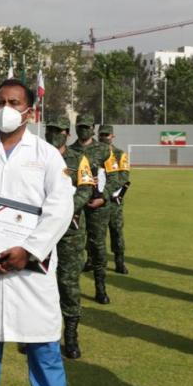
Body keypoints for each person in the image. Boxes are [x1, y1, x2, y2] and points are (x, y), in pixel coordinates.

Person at [0, 79, 73, 386]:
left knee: (44, 350)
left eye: (14, 103)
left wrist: (29, 250)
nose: (5, 109)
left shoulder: (48, 155)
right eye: (0, 102)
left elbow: (61, 208)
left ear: (29, 111)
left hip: (32, 270)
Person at [46, 115, 96, 360]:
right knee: (41, 283)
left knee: (68, 283)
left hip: (70, 231)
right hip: (42, 231)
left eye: (59, 130)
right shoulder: (38, 156)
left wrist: (64, 210)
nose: (54, 134)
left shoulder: (78, 159)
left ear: (67, 133)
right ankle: (37, 335)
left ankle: (71, 336)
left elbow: (86, 189)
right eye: (50, 129)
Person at [70, 114, 117, 304]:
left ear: (93, 128)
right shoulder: (69, 151)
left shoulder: (104, 150)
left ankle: (100, 288)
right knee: (73, 249)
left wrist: (104, 196)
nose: (83, 130)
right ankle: (71, 292)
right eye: (80, 127)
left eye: (87, 127)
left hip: (98, 207)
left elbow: (117, 177)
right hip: (75, 208)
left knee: (98, 247)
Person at [97, 124, 131, 274]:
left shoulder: (119, 154)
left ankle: (119, 261)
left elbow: (123, 177)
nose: (103, 137)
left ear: (112, 136)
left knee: (116, 231)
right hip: (97, 201)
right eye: (101, 135)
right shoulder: (93, 153)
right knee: (96, 233)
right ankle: (93, 261)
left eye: (106, 135)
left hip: (114, 201)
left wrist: (107, 190)